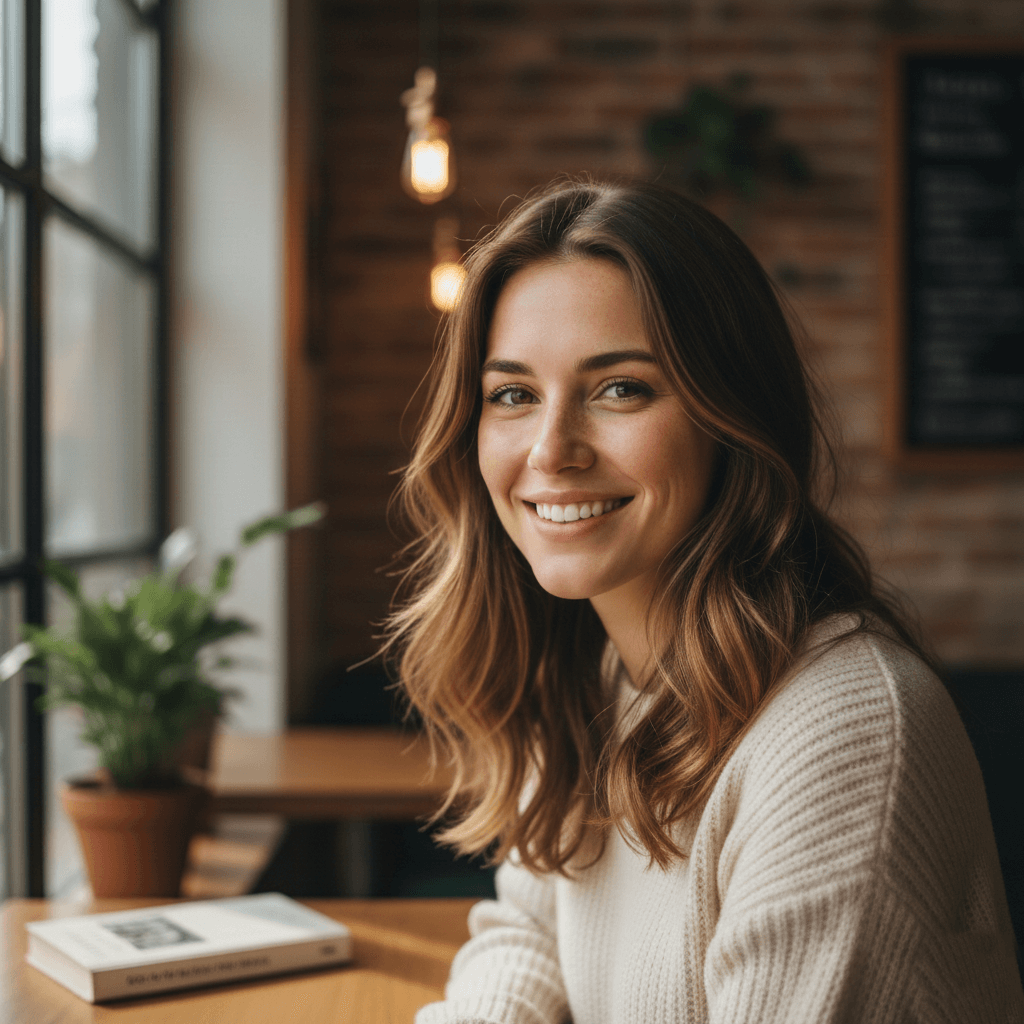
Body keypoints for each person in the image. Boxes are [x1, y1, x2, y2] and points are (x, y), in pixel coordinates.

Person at [380, 178, 1023, 1023]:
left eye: (621, 389)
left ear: (731, 417)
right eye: (513, 394)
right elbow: (527, 931)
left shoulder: (846, 735)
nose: (551, 449)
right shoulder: (601, 666)